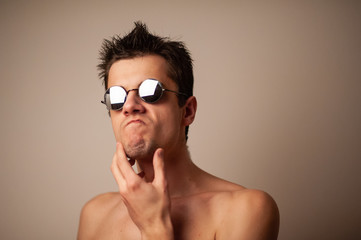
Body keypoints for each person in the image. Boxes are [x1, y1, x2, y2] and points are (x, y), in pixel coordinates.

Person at [77, 22, 279, 240]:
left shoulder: (246, 209)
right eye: (116, 97)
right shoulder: (95, 214)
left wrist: (154, 226)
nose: (129, 105)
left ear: (188, 111)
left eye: (150, 91)